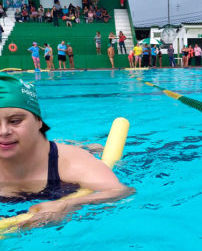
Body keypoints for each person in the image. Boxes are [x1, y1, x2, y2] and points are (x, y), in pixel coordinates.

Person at [0, 74, 134, 226]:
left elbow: (121, 191)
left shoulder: (70, 162)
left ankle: (89, 148)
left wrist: (67, 205)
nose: (4, 131)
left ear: (39, 122)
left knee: (85, 151)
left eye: (15, 121)